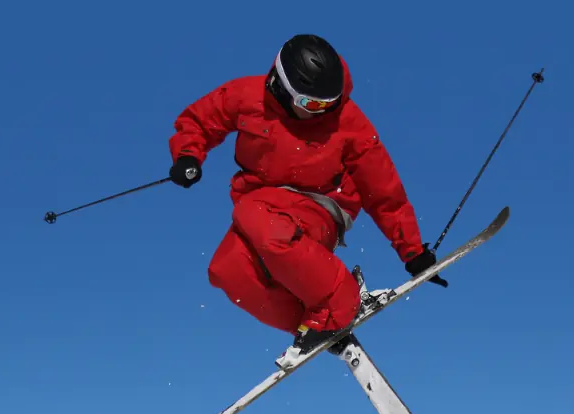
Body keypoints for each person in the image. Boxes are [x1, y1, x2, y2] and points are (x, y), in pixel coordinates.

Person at [168, 34, 443, 365]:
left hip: (321, 205)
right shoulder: (247, 95)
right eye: (312, 105)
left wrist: (411, 250)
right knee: (227, 270)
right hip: (263, 208)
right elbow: (200, 120)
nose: (322, 113)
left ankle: (340, 300)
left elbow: (384, 190)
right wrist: (188, 156)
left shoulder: (347, 121)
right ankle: (316, 326)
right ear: (281, 87)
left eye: (330, 103)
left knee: (254, 214)